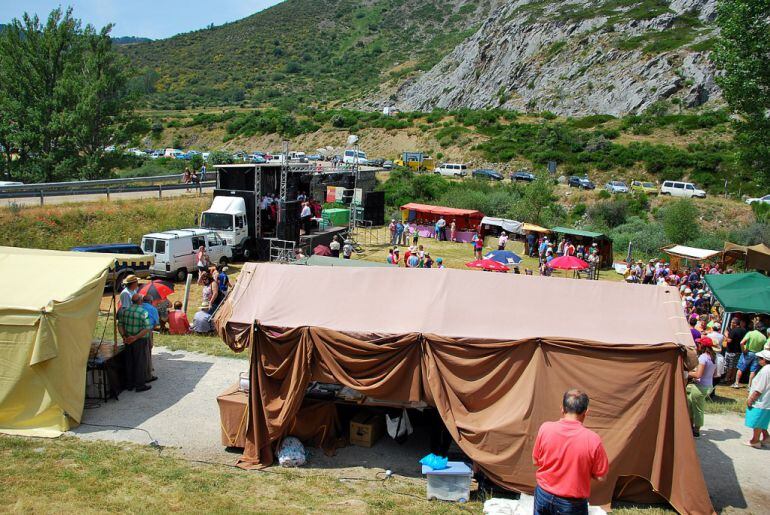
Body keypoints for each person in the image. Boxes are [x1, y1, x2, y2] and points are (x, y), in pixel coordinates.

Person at [532, 390, 608, 514]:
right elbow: (601, 477)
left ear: (562, 409)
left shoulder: (545, 428)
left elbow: (536, 461)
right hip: (572, 503)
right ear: (586, 412)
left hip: (543, 495)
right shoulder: (593, 440)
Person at [117, 293, 153, 392]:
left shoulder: (124, 311)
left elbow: (120, 325)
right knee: (140, 362)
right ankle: (140, 385)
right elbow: (147, 328)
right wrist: (136, 337)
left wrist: (124, 336)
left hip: (128, 339)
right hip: (139, 340)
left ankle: (130, 384)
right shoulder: (143, 312)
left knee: (129, 362)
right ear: (141, 301)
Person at [687, 337, 717, 437]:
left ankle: (696, 430)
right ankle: (692, 427)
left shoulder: (703, 358)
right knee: (691, 406)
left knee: (697, 409)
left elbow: (698, 375)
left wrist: (686, 373)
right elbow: (715, 374)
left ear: (702, 346)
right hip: (708, 385)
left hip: (700, 387)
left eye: (699, 344)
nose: (697, 345)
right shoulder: (713, 357)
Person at [743, 349, 770, 448]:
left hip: (761, 401)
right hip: (767, 401)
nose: (758, 360)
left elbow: (760, 388)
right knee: (762, 420)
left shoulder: (765, 370)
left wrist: (751, 399)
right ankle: (766, 437)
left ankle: (755, 440)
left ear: (764, 359)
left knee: (757, 421)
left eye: (760, 358)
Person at [733, 322, 768, 388]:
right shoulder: (764, 337)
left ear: (756, 327)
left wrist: (743, 350)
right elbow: (763, 348)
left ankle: (736, 383)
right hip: (757, 354)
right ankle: (749, 386)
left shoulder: (750, 333)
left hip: (748, 352)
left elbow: (741, 343)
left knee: (740, 368)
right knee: (753, 371)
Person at [142, 295, 159, 383]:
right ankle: (148, 373)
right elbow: (156, 324)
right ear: (151, 301)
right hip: (148, 332)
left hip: (137, 331)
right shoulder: (153, 309)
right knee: (148, 350)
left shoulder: (139, 307)